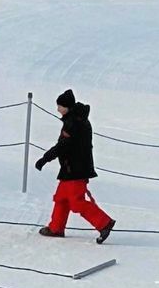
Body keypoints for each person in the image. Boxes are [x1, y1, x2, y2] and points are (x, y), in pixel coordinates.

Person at [34, 90, 115, 242]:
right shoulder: (76, 119)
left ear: (67, 107)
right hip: (70, 168)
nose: (58, 109)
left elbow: (62, 146)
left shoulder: (73, 123)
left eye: (60, 106)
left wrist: (44, 159)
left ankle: (104, 223)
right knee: (61, 199)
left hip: (76, 170)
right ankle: (56, 228)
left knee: (76, 202)